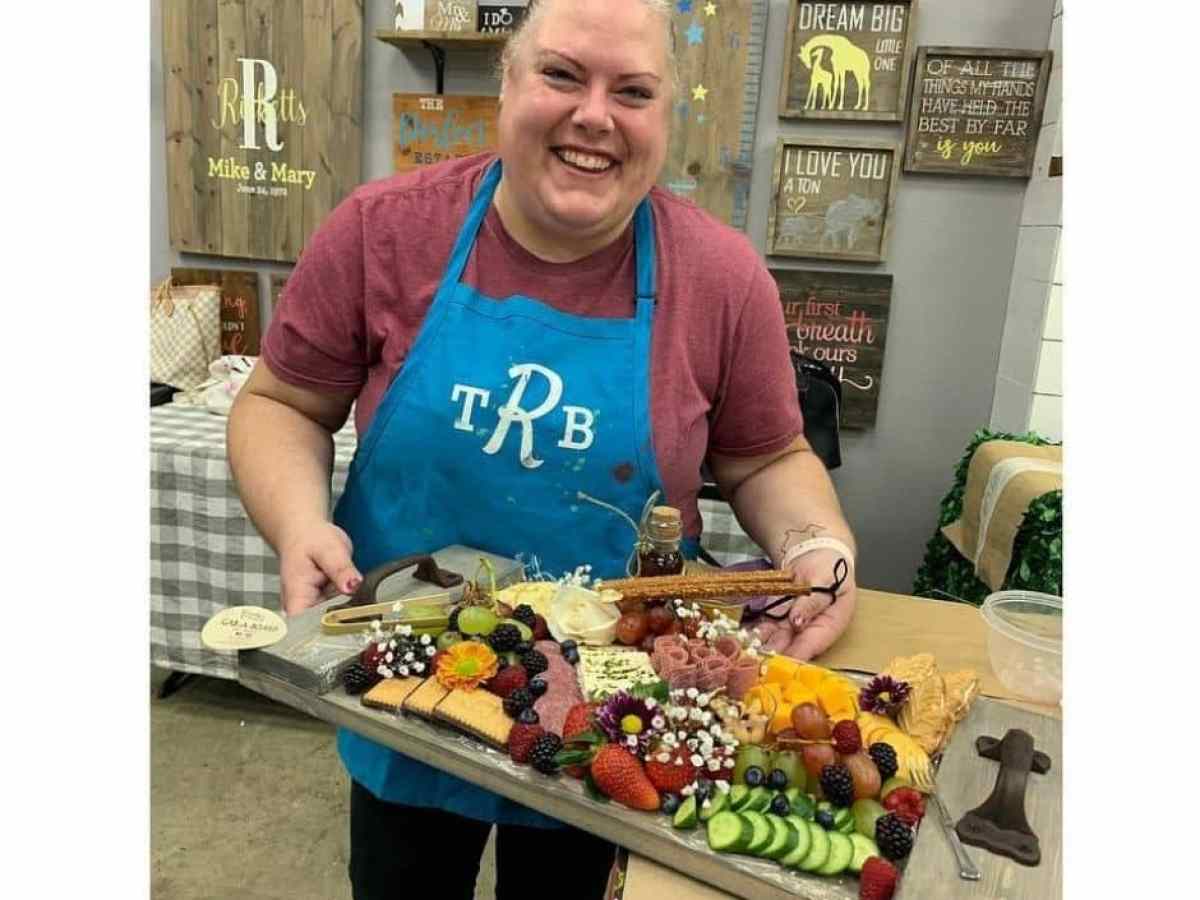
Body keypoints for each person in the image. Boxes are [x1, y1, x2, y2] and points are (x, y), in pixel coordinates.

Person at [227, 0, 858, 896]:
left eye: (632, 91)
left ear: (666, 115)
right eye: (562, 74)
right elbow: (282, 403)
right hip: (409, 674)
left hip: (615, 711)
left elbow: (766, 457)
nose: (594, 115)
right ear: (507, 83)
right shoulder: (384, 230)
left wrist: (815, 545)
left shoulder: (721, 278)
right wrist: (298, 525)